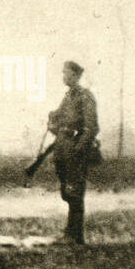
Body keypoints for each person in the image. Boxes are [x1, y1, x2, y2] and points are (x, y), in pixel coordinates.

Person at [48, 60, 99, 245]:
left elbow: (92, 127)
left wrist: (78, 150)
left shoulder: (85, 96)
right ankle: (70, 232)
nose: (64, 76)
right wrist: (52, 120)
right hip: (62, 149)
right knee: (66, 192)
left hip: (75, 151)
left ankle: (75, 235)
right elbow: (58, 123)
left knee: (75, 191)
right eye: (63, 73)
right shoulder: (68, 97)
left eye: (67, 73)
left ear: (76, 75)